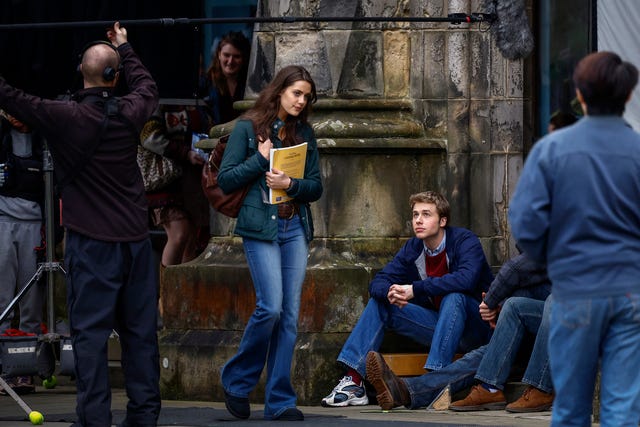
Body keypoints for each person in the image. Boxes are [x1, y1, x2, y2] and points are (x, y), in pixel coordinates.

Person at [0, 22, 161, 426]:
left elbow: (15, 98)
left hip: (92, 247)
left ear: (81, 72)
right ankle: (144, 416)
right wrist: (125, 47)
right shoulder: (131, 110)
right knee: (140, 335)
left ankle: (94, 419)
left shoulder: (66, 116)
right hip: (136, 244)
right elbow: (147, 87)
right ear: (114, 76)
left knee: (89, 337)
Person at [509, 51, 640, 426]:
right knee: (623, 410)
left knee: (569, 408)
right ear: (628, 95)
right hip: (630, 290)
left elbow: (526, 224)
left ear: (580, 95)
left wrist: (557, 259)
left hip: (576, 286)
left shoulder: (552, 149)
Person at [217, 65, 322, 421]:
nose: (301, 101)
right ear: (279, 91)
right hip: (261, 227)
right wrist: (259, 160)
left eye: (306, 96)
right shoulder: (247, 128)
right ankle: (237, 381)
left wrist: (291, 184)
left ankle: (279, 402)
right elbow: (226, 179)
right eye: (296, 93)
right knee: (271, 308)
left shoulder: (304, 133)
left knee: (289, 317)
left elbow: (315, 187)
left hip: (294, 228)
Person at [321, 191, 493, 407]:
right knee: (382, 302)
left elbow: (466, 279)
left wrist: (415, 289)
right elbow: (378, 281)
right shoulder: (413, 248)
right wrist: (390, 292)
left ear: (442, 221)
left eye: (426, 214)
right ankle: (354, 382)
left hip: (477, 329)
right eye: (415, 215)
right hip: (441, 327)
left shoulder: (464, 240)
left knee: (454, 297)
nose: (418, 220)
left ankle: (434, 380)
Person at [365, 252, 552, 412]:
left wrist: (492, 300)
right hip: (532, 334)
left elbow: (516, 269)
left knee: (555, 302)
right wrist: (499, 305)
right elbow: (528, 288)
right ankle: (407, 391)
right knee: (485, 351)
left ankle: (540, 388)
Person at [0, 111, 46, 395]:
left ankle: (26, 369)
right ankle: (3, 368)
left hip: (35, 224)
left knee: (31, 302)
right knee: (3, 299)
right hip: (3, 221)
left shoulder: (44, 141)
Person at [140, 103, 213, 267]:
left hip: (192, 181)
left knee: (191, 239)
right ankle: (166, 282)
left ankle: (184, 282)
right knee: (179, 233)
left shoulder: (200, 99)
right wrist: (185, 153)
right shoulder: (159, 101)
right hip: (165, 180)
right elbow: (149, 138)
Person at [201, 31, 251, 125]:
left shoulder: (250, 84)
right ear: (219, 54)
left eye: (236, 56)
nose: (230, 61)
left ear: (244, 58)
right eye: (226, 55)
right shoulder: (206, 82)